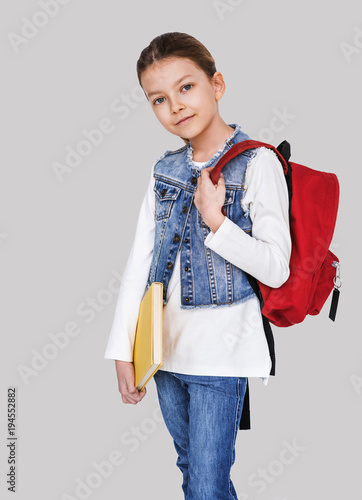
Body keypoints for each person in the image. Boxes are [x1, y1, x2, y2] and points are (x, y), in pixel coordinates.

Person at [104, 31, 291, 500]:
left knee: (207, 487)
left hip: (221, 358)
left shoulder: (258, 162)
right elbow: (138, 265)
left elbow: (276, 268)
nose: (176, 107)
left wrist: (216, 221)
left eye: (186, 87)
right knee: (192, 475)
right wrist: (122, 351)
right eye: (159, 99)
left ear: (217, 84)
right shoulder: (165, 171)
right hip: (164, 354)